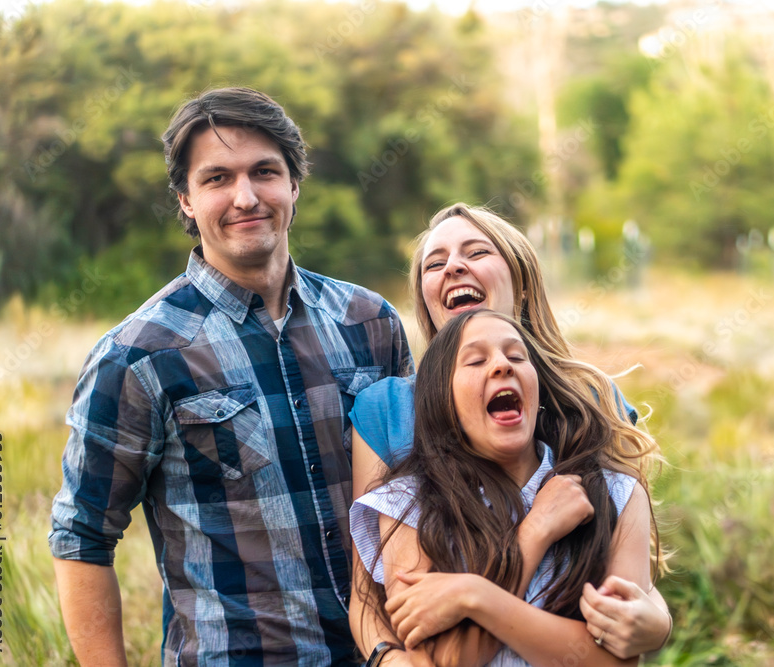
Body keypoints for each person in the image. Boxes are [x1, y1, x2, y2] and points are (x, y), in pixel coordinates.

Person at [48, 87, 413, 666]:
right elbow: (81, 537)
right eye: (217, 178)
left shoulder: (370, 323)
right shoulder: (138, 355)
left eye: (264, 172)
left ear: (294, 185)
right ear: (186, 200)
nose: (246, 197)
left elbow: (421, 493)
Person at [349, 204, 671, 665]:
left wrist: (657, 621)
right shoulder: (389, 413)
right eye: (435, 264)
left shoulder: (590, 399)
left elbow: (624, 548)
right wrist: (390, 659)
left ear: (520, 283)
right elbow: (370, 590)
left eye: (477, 252)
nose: (453, 267)